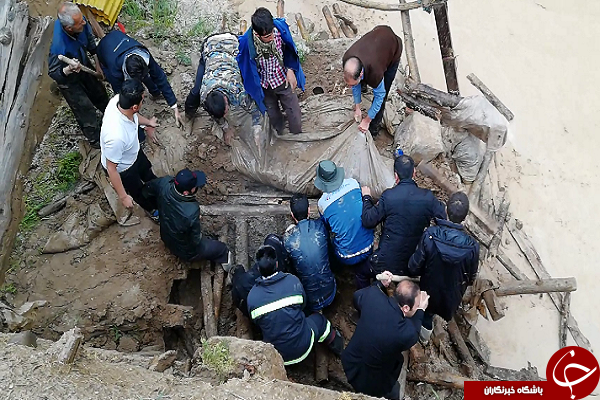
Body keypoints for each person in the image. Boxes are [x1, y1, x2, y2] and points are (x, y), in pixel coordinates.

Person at [247, 245, 343, 365]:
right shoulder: (292, 282)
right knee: (320, 321)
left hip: (276, 354)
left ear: (258, 268)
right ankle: (337, 345)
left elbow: (256, 322)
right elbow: (303, 305)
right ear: (277, 264)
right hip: (303, 345)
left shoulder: (252, 296)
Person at [342, 273, 429, 399]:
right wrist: (421, 310)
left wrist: (379, 284)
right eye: (416, 306)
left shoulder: (372, 295)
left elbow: (357, 296)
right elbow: (414, 333)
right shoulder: (404, 332)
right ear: (405, 308)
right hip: (370, 381)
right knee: (393, 391)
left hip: (351, 360)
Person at [408, 192, 480, 343]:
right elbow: (471, 277)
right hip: (452, 296)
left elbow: (414, 267)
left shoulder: (431, 234)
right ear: (465, 218)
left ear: (446, 210)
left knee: (426, 314)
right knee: (435, 312)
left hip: (429, 289)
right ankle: (426, 337)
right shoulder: (473, 246)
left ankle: (423, 339)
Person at [361, 155, 446, 276]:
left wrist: (366, 198)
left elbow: (368, 221)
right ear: (414, 173)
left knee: (362, 272)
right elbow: (443, 217)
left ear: (396, 176)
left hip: (386, 263)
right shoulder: (428, 197)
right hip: (414, 263)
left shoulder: (388, 196)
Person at [184, 33, 263, 146]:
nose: (226, 115)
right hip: (211, 50)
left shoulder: (236, 91)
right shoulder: (204, 95)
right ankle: (188, 116)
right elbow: (214, 114)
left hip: (229, 43)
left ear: (226, 99)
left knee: (251, 78)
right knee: (195, 92)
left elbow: (253, 109)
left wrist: (257, 128)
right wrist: (226, 128)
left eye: (225, 111)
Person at [48, 2, 108, 148]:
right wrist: (68, 69)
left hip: (82, 62)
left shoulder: (80, 21)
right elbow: (54, 73)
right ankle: (95, 140)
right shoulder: (59, 47)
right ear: (69, 28)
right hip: (68, 79)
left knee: (99, 92)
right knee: (84, 108)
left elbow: (91, 43)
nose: (83, 22)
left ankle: (110, 115)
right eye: (80, 23)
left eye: (82, 19)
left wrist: (98, 64)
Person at [237, 7, 305, 134]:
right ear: (257, 34)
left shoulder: (280, 31)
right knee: (273, 116)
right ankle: (280, 134)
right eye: (268, 36)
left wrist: (290, 70)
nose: (272, 37)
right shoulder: (247, 43)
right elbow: (245, 67)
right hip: (264, 86)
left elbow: (290, 51)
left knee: (294, 113)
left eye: (272, 33)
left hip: (282, 79)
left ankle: (297, 134)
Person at [142, 168, 231, 264]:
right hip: (186, 251)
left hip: (166, 237)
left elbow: (146, 190)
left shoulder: (164, 183)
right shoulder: (191, 211)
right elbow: (195, 241)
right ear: (186, 192)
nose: (197, 187)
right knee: (221, 249)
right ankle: (230, 268)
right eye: (195, 186)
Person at [96, 29, 183, 128]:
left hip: (118, 37)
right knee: (129, 96)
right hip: (104, 51)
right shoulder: (115, 71)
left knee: (145, 77)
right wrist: (144, 125)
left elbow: (160, 77)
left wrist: (174, 107)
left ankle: (155, 93)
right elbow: (123, 98)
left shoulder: (143, 54)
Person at [100, 79, 159, 220]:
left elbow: (134, 115)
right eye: (143, 99)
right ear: (134, 106)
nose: (143, 101)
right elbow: (111, 168)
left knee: (147, 173)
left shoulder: (119, 101)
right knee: (138, 191)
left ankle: (156, 188)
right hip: (124, 168)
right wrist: (123, 196)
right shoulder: (116, 136)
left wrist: (148, 123)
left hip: (133, 152)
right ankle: (152, 210)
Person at [314, 160, 375, 289]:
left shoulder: (323, 203)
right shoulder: (353, 184)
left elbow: (327, 227)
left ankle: (337, 272)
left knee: (327, 240)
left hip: (347, 256)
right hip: (369, 245)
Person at [342, 25, 402, 136]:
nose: (351, 88)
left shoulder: (375, 72)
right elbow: (355, 86)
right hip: (377, 36)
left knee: (382, 94)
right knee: (359, 83)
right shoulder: (347, 59)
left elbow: (380, 95)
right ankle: (363, 85)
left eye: (353, 84)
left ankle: (374, 128)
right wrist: (357, 107)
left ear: (360, 73)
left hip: (393, 47)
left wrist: (367, 120)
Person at [283, 194, 336, 312]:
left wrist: (289, 232)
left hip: (309, 301)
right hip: (330, 292)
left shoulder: (288, 240)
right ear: (309, 210)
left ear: (292, 215)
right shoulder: (321, 227)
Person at [228, 234, 291, 318]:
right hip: (279, 316)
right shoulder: (290, 282)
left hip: (256, 315)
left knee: (238, 270)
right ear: (276, 264)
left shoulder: (245, 285)